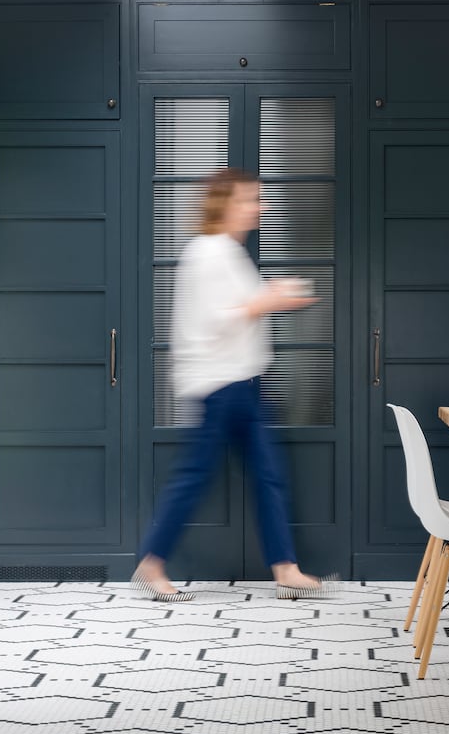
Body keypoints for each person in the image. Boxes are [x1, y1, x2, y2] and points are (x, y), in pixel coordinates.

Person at [133, 168, 331, 602]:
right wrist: (269, 300)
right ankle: (152, 563)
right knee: (194, 477)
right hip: (217, 386)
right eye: (248, 200)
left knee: (269, 476)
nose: (256, 207)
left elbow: (246, 306)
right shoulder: (206, 253)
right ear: (224, 204)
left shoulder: (230, 253)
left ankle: (286, 569)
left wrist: (274, 297)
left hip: (244, 382)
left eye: (256, 199)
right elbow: (219, 318)